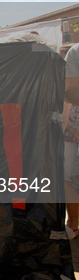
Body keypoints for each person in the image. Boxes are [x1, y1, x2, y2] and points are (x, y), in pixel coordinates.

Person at [63, 42, 79, 238]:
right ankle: (73, 221)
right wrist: (70, 126)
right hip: (69, 131)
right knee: (67, 179)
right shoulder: (75, 51)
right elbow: (69, 91)